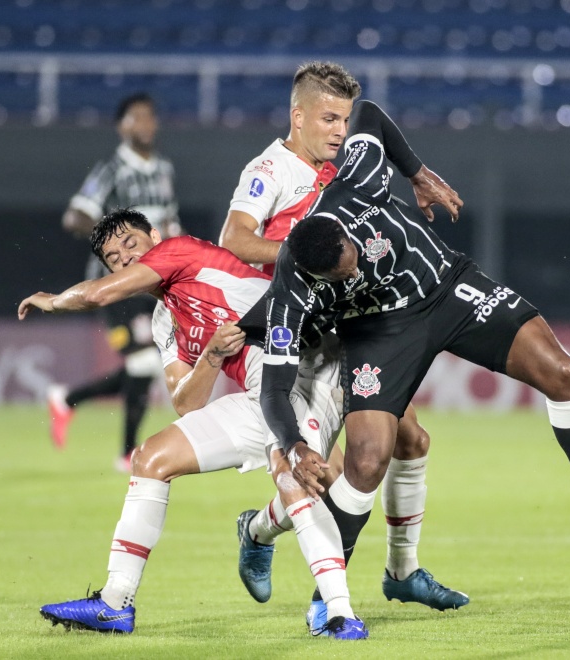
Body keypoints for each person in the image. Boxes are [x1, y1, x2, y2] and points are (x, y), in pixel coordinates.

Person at [257, 100, 570, 606]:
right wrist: (292, 443)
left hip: (445, 287)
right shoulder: (293, 286)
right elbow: (274, 387)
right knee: (368, 461)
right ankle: (328, 597)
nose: (352, 274)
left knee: (564, 373)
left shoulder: (360, 181)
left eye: (351, 263)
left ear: (348, 235)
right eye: (340, 277)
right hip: (377, 330)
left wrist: (417, 173)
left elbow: (367, 113)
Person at [19, 210, 367, 640]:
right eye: (113, 257)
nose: (125, 259)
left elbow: (96, 297)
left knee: (299, 475)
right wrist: (211, 356)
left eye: (131, 244)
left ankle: (339, 612)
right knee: (150, 458)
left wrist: (51, 300)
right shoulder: (164, 320)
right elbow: (187, 401)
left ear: (155, 236)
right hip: (264, 389)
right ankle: (114, 602)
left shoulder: (179, 252)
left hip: (311, 365)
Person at [218, 61, 466, 631]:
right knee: (331, 471)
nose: (338, 130)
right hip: (299, 340)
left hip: (351, 328)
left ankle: (402, 572)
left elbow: (375, 125)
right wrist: (303, 257)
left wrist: (416, 173)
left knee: (410, 441)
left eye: (343, 119)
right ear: (297, 116)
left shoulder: (339, 168)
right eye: (328, 118)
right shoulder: (270, 170)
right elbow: (234, 237)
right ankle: (262, 535)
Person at [48, 92, 182, 472]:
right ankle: (126, 453)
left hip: (154, 285)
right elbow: (75, 217)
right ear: (122, 126)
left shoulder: (164, 170)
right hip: (116, 287)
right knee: (142, 362)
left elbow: (170, 224)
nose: (146, 124)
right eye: (136, 118)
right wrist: (115, 240)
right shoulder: (112, 169)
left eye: (150, 117)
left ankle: (69, 399)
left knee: (146, 366)